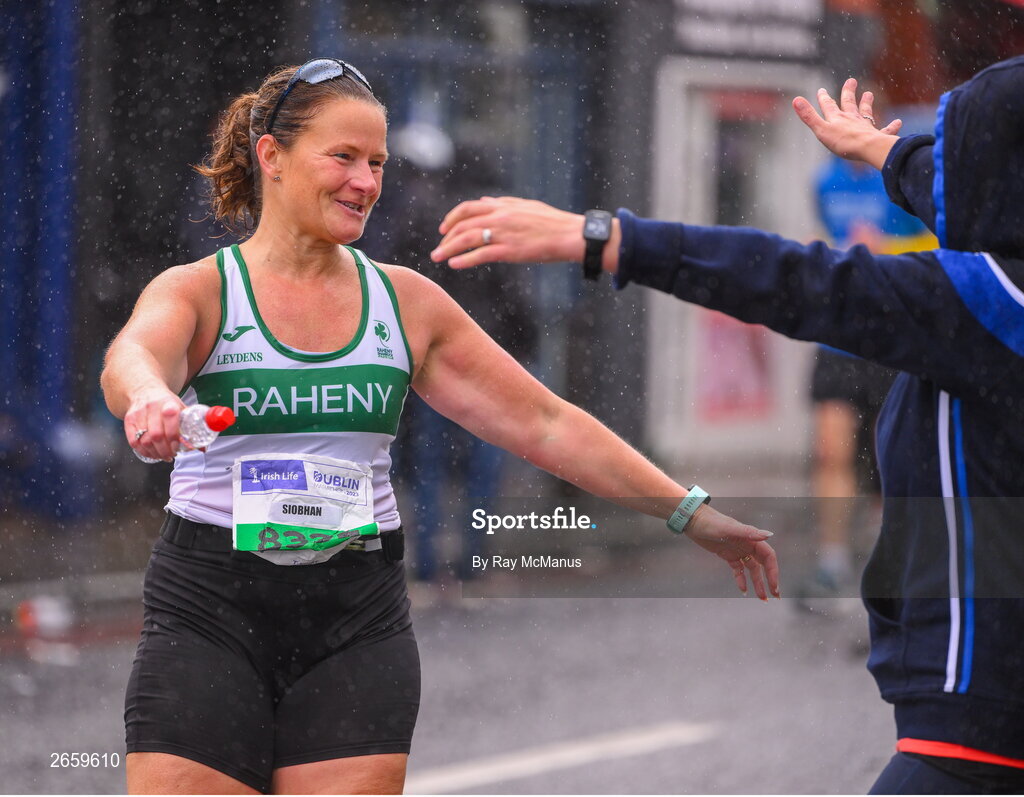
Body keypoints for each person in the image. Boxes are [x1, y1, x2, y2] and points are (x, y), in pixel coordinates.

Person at [100, 58, 778, 795]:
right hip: (211, 605)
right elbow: (135, 354)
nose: (366, 182)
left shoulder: (406, 304)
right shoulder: (202, 289)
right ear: (272, 156)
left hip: (353, 617)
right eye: (344, 158)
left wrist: (688, 511)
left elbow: (545, 423)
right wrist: (148, 398)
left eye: (377, 163)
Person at [432, 58, 1024, 793]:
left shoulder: (987, 308)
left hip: (982, 716)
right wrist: (887, 154)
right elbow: (975, 197)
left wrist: (605, 237)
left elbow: (792, 279)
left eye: (955, 155)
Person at [800, 154, 931, 607]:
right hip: (837, 333)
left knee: (885, 459)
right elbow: (829, 235)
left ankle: (885, 568)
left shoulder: (899, 178)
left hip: (889, 337)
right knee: (829, 450)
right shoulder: (824, 180)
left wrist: (885, 248)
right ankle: (832, 564)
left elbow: (938, 245)